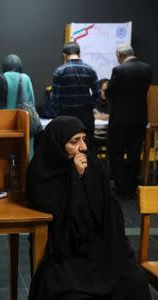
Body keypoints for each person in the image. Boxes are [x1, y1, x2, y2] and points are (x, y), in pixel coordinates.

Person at [27, 116, 150, 300]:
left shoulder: (94, 167)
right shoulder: (43, 173)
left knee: (136, 282)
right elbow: (54, 210)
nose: (83, 147)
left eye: (84, 139)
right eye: (74, 142)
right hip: (67, 252)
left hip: (99, 248)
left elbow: (111, 213)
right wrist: (74, 177)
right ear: (58, 144)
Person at [106, 44, 153, 199]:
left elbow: (110, 92)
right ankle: (132, 186)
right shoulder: (147, 69)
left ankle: (120, 187)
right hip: (139, 119)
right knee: (134, 153)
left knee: (117, 153)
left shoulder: (119, 70)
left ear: (120, 55)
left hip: (120, 119)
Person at [0, 54, 36, 157]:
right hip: (24, 123)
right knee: (25, 156)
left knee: (4, 156)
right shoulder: (26, 78)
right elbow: (32, 103)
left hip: (3, 125)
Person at [51, 42, 99, 151]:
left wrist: (58, 113)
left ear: (64, 55)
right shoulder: (90, 70)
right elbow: (97, 94)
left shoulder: (59, 71)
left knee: (69, 147)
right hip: (86, 116)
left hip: (67, 116)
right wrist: (90, 106)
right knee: (88, 147)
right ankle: (89, 168)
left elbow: (55, 99)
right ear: (79, 54)